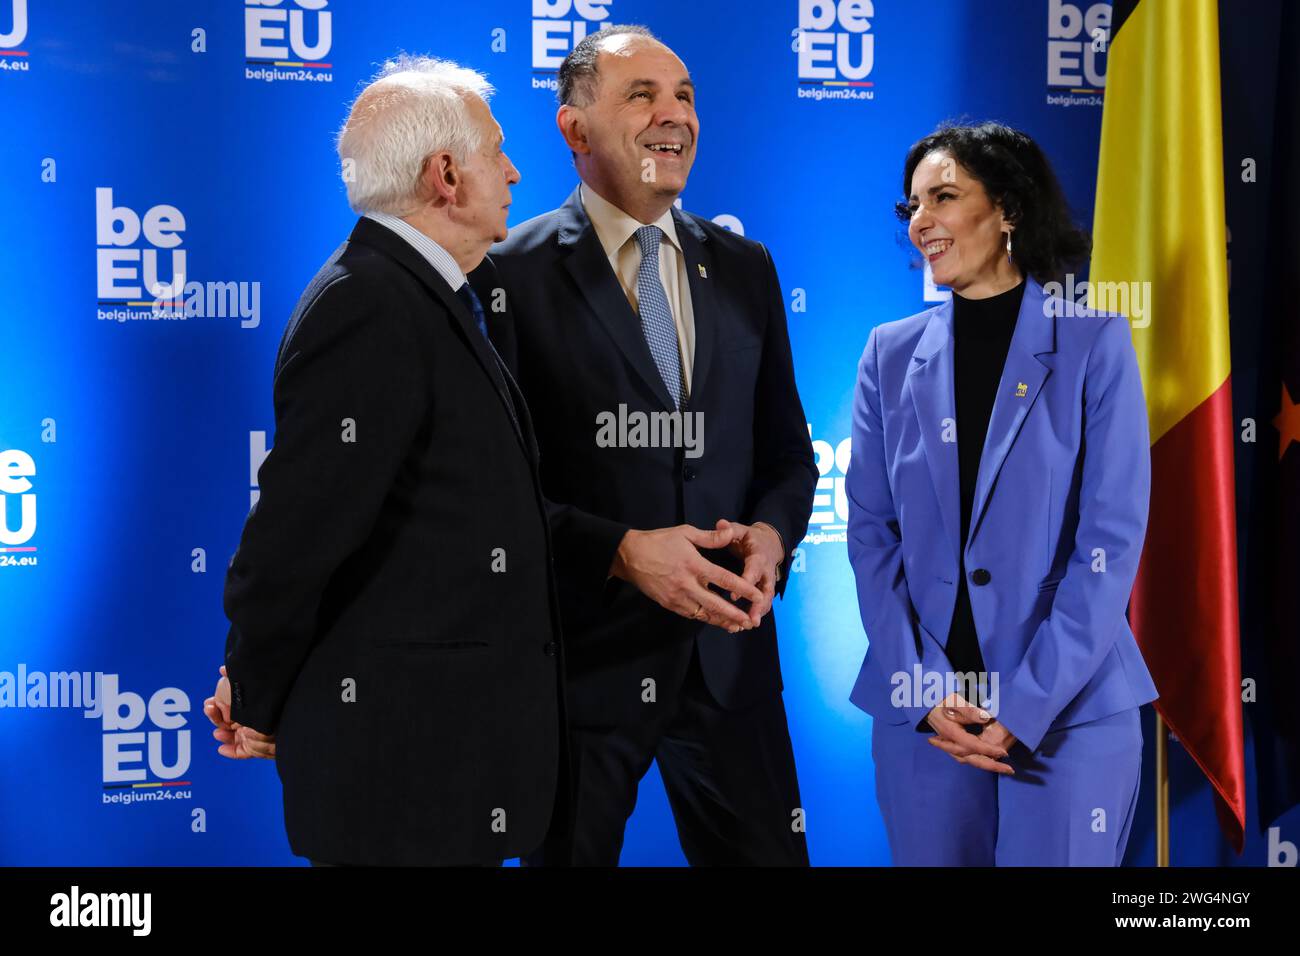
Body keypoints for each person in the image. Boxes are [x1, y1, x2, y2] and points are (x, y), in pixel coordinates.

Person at [204, 55, 563, 867]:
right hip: (400, 784)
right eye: (496, 152)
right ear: (445, 175)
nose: (512, 171)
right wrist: (256, 689)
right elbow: (298, 532)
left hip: (444, 777)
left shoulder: (437, 296)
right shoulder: (370, 303)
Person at [472, 25, 817, 866]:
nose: (675, 116)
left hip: (729, 660)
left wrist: (773, 534)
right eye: (643, 95)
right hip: (579, 670)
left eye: (686, 95)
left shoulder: (746, 266)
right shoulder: (503, 275)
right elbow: (491, 493)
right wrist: (622, 553)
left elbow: (788, 454)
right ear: (574, 127)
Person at [846, 121, 1159, 866]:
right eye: (912, 205)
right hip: (926, 720)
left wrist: (1024, 705)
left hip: (1067, 716)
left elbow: (1108, 545)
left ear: (1009, 210)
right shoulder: (888, 355)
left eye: (944, 197)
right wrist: (923, 688)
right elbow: (870, 537)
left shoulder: (1095, 345)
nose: (921, 221)